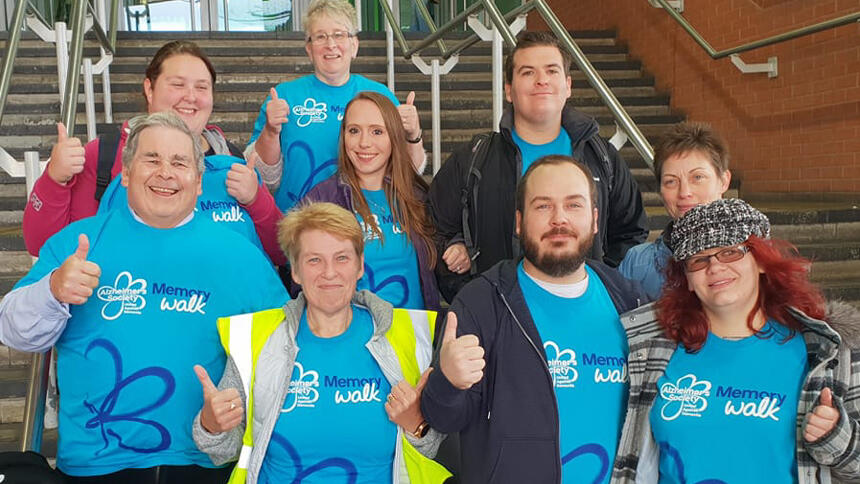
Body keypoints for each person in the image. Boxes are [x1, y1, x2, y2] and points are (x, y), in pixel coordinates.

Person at [0, 112, 289, 483]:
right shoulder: (78, 243)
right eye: (151, 159)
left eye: (179, 162)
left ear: (199, 182)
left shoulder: (242, 255)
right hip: (96, 465)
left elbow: (284, 349)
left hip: (205, 463)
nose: (165, 173)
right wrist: (53, 289)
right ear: (126, 171)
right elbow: (12, 330)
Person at [420, 155, 647, 484]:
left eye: (574, 205)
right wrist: (448, 383)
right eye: (543, 207)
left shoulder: (631, 302)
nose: (559, 220)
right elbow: (443, 418)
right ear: (518, 221)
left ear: (595, 220)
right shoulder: (481, 302)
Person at [192, 202, 451, 484]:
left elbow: (431, 447)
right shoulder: (259, 338)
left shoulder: (406, 335)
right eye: (314, 260)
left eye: (342, 258)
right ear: (295, 271)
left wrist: (417, 424)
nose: (329, 273)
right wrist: (211, 425)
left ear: (360, 266)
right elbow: (222, 449)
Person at [612, 198, 860, 483]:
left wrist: (836, 437)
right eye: (699, 259)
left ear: (762, 262)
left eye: (730, 252)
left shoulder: (825, 351)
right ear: (688, 280)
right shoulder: (651, 350)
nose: (715, 267)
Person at [429, 30, 648, 303]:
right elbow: (433, 228)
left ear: (568, 86)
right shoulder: (474, 159)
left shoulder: (603, 158)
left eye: (552, 71)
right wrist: (470, 294)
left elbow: (630, 232)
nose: (541, 80)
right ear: (508, 90)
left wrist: (601, 289)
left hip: (582, 314)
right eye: (527, 72)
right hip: (500, 318)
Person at [22, 41, 282, 262]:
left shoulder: (232, 162)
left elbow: (281, 251)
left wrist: (255, 200)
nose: (190, 96)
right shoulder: (103, 155)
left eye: (202, 87)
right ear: (149, 88)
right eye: (177, 84)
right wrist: (54, 181)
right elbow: (41, 244)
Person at [246, 0, 425, 213]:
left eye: (339, 34)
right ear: (309, 49)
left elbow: (409, 172)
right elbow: (262, 177)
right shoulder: (283, 97)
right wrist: (271, 131)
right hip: (297, 226)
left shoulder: (380, 96)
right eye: (320, 36)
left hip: (367, 225)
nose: (331, 44)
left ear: (354, 45)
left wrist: (413, 134)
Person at [301, 92, 439, 310]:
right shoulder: (321, 200)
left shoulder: (416, 196)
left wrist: (458, 247)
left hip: (414, 336)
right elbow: (304, 281)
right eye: (354, 131)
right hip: (353, 337)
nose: (364, 143)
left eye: (377, 131)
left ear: (393, 137)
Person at [618, 122, 731, 300]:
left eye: (697, 177)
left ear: (724, 181)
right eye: (671, 181)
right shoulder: (638, 263)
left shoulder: (754, 257)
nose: (684, 192)